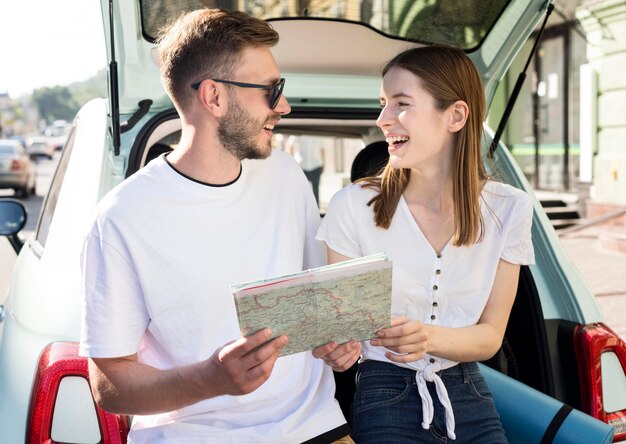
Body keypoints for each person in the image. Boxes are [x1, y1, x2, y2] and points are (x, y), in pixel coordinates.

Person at [79, 9, 351, 443]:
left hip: (312, 425)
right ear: (214, 97)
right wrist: (210, 379)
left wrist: (338, 342)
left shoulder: (286, 176)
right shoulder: (121, 219)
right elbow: (106, 386)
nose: (284, 105)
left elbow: (317, 306)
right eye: (271, 90)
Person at [315, 46, 535, 442]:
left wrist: (428, 337)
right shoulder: (352, 206)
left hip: (469, 391)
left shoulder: (510, 208)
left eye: (401, 104)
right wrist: (337, 347)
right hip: (383, 393)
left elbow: (490, 337)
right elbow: (340, 332)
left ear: (455, 116)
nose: (382, 120)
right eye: (383, 104)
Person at [286, 135, 325, 205]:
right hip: (302, 166)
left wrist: (323, 163)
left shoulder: (318, 133)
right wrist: (291, 161)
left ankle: (316, 212)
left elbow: (322, 148)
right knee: (301, 191)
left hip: (316, 165)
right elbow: (290, 145)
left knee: (315, 191)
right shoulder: (298, 132)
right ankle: (302, 211)